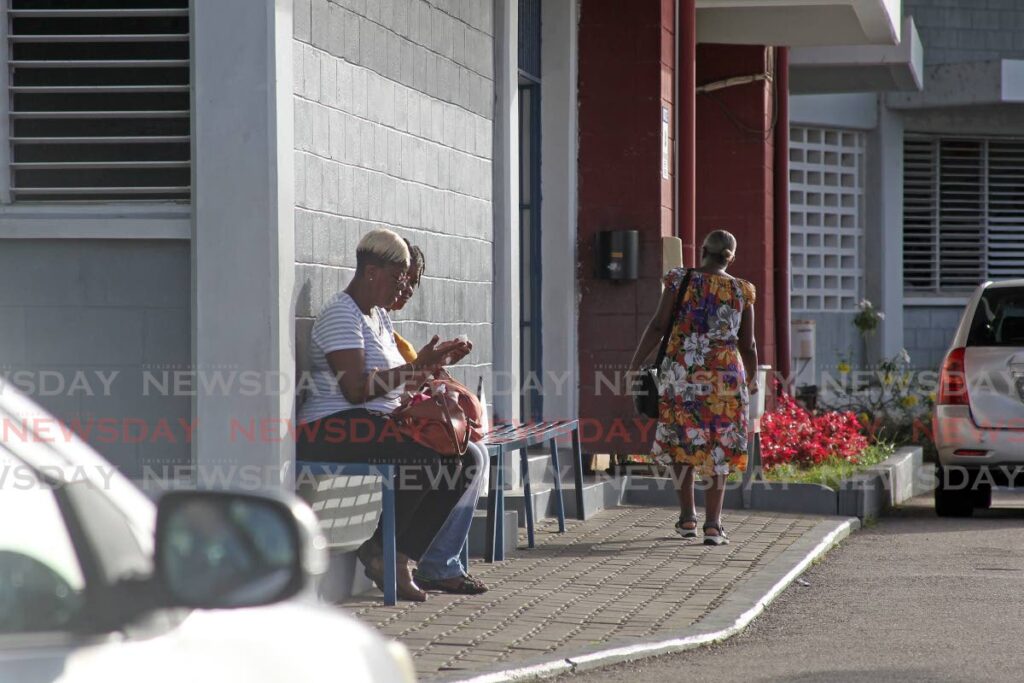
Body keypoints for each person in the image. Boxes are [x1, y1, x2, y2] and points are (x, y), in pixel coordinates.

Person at [297, 228, 486, 600]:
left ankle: (395, 554)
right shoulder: (341, 315)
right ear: (371, 272)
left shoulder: (379, 318)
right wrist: (419, 365)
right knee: (426, 457)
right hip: (331, 426)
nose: (402, 288)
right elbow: (355, 389)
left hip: (372, 422)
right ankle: (385, 555)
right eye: (398, 278)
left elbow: (393, 384)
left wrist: (433, 366)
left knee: (461, 460)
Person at [629, 230, 758, 546]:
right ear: (731, 256)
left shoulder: (678, 279)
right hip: (726, 377)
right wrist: (751, 378)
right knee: (719, 445)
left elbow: (659, 325)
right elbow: (749, 343)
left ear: (703, 251)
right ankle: (713, 526)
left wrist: (635, 363)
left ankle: (687, 518)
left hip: (682, 372)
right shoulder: (742, 290)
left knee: (679, 439)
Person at [387, 240, 490, 592]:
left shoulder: (384, 326)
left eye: (414, 282)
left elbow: (407, 382)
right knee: (459, 455)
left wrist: (438, 362)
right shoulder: (357, 319)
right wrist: (428, 365)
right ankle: (433, 562)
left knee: (470, 452)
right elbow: (378, 387)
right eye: (405, 280)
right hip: (379, 423)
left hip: (400, 416)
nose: (409, 290)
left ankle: (440, 560)